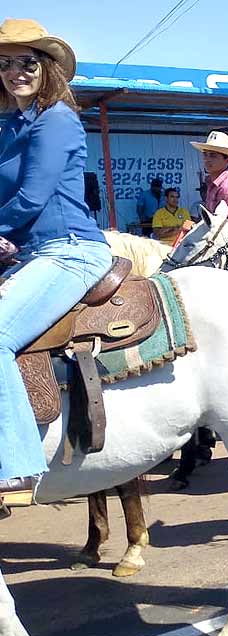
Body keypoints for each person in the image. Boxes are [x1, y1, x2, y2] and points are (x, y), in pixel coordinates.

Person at [0, 19, 114, 494]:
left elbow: (32, 195)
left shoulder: (57, 118)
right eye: (4, 63)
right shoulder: (6, 125)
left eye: (28, 62)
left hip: (70, 250)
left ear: (47, 68)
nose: (15, 71)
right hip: (28, 251)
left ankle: (16, 464)